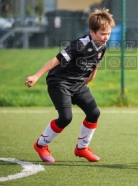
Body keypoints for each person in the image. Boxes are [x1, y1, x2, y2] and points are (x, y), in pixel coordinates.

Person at [24, 8, 115, 163]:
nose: (106, 37)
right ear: (92, 32)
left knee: (94, 113)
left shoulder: (102, 46)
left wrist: (91, 78)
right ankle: (41, 145)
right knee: (66, 118)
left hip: (78, 83)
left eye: (108, 34)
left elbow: (95, 63)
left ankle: (81, 148)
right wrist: (36, 76)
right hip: (59, 82)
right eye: (102, 34)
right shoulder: (79, 45)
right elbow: (55, 60)